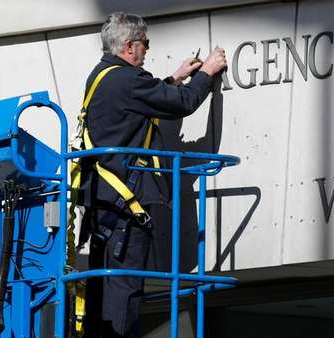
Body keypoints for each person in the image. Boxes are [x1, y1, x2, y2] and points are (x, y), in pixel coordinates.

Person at [78, 12, 227, 337]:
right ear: (129, 46)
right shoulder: (129, 80)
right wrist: (208, 72)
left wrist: (174, 78)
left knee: (103, 290)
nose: (147, 49)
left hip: (104, 205)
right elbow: (184, 103)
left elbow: (138, 102)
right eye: (145, 43)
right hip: (127, 207)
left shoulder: (101, 76)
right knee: (125, 291)